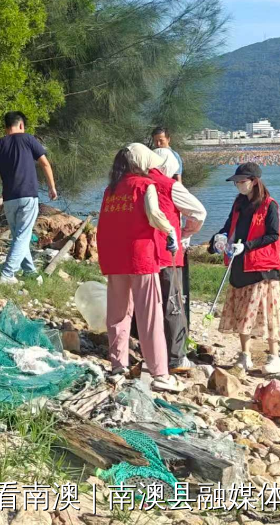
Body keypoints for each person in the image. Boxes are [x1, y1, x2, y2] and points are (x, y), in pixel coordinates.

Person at [96, 144, 183, 393]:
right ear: (141, 163)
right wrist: (169, 231)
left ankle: (118, 366)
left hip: (115, 258)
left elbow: (103, 225)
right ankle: (160, 374)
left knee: (117, 314)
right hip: (141, 256)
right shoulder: (146, 186)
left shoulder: (110, 190)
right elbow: (154, 215)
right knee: (149, 316)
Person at [209, 162, 280, 374]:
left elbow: (273, 235)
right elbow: (228, 227)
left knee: (267, 313)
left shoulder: (269, 205)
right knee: (242, 311)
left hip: (262, 267)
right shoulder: (238, 205)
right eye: (236, 183)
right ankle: (244, 355)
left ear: (253, 181)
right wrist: (219, 238)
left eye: (242, 182)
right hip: (239, 264)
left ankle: (275, 355)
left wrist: (247, 246)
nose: (239, 186)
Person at [149, 146, 207, 372]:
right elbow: (199, 212)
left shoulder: (139, 183)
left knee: (148, 305)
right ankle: (175, 357)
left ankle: (150, 351)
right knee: (173, 304)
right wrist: (185, 232)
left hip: (142, 255)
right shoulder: (170, 186)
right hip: (167, 253)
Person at [0, 111, 58, 285]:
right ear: (21, 125)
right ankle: (7, 273)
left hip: (9, 199)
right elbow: (45, 163)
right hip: (27, 196)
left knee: (21, 235)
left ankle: (30, 272)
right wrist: (51, 187)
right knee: (22, 236)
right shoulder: (28, 139)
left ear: (6, 128)